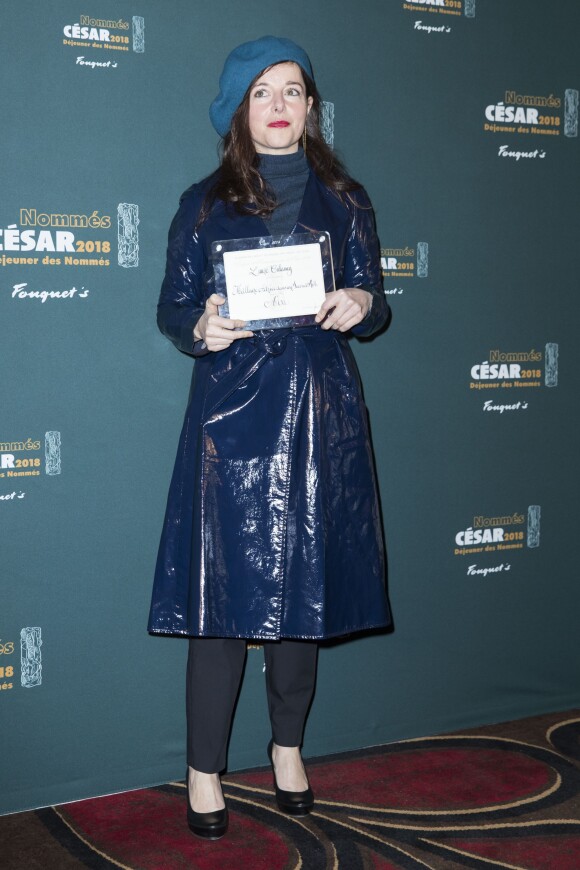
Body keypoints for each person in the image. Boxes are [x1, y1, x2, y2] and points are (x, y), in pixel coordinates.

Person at [148, 35, 392, 840]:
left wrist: (362, 302)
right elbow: (173, 307)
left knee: (301, 600)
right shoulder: (202, 203)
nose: (280, 105)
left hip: (319, 413)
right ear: (237, 109)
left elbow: (375, 298)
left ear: (311, 107)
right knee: (221, 602)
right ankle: (203, 768)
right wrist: (201, 324)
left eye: (293, 91)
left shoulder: (347, 199)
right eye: (263, 93)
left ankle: (287, 747)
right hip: (231, 417)